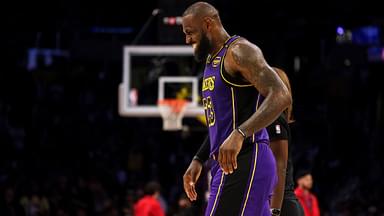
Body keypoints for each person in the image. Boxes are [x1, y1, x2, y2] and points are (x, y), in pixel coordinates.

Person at [181, 2, 292, 215]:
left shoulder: (239, 51)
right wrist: (198, 158)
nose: (187, 40)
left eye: (190, 32)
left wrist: (240, 133)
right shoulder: (211, 60)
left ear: (207, 24)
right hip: (227, 164)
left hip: (247, 159)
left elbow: (281, 95)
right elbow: (221, 123)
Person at [267, 67, 304, 216]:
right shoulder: (268, 119)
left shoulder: (275, 119)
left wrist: (274, 211)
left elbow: (279, 167)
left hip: (283, 205)